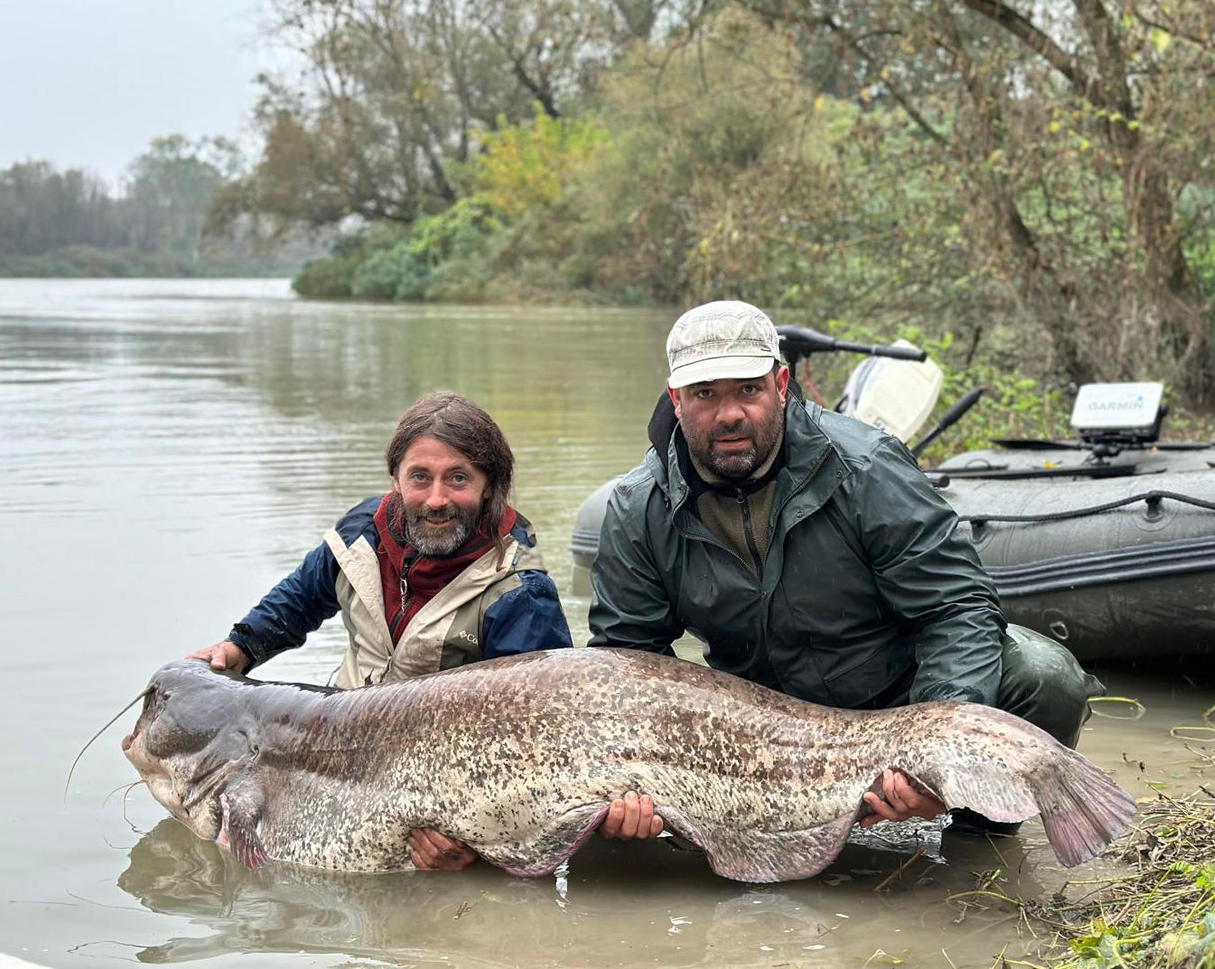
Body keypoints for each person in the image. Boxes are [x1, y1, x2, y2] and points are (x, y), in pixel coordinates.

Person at [588, 300, 1103, 837]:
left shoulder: (868, 467)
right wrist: (629, 791)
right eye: (704, 394)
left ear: (781, 384)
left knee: (1046, 678)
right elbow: (628, 666)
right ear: (676, 398)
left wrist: (935, 761)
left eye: (748, 389)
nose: (729, 414)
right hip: (756, 733)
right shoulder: (636, 506)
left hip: (898, 703)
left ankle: (974, 837)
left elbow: (956, 610)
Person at [188, 391, 573, 870]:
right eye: (420, 477)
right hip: (337, 744)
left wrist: (477, 846)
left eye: (458, 479)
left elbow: (543, 746)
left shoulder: (521, 591)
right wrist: (240, 647)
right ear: (396, 478)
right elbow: (301, 598)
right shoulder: (360, 532)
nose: (436, 500)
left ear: (489, 487)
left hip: (440, 785)